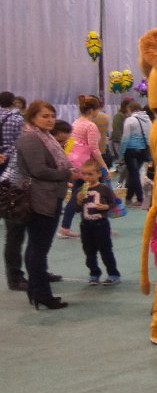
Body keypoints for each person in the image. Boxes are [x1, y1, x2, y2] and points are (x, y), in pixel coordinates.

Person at [15, 100, 81, 309]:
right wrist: (66, 174)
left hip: (49, 196)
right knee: (39, 248)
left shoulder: (44, 136)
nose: (50, 120)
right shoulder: (31, 138)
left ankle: (36, 290)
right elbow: (39, 170)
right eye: (45, 116)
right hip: (40, 198)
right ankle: (42, 294)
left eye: (52, 116)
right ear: (32, 117)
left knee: (37, 246)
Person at [59, 94, 110, 239]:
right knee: (88, 195)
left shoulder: (75, 123)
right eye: (98, 109)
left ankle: (68, 227)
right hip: (87, 169)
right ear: (92, 110)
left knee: (79, 196)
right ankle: (69, 227)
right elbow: (94, 149)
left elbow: (69, 144)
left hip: (76, 166)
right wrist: (104, 166)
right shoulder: (90, 126)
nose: (99, 112)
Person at [1, 91, 28, 290]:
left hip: (5, 172)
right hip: (14, 173)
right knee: (15, 232)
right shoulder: (17, 119)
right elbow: (20, 146)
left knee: (13, 232)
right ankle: (15, 277)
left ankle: (15, 276)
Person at [77, 159, 120, 285]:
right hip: (86, 225)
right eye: (84, 174)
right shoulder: (82, 189)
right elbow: (77, 209)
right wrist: (79, 200)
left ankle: (113, 274)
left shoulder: (104, 188)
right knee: (89, 252)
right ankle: (94, 273)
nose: (86, 177)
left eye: (90, 174)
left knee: (106, 250)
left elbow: (113, 203)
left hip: (101, 224)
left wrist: (106, 207)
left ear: (98, 174)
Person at [119, 100, 150, 206]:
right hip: (143, 150)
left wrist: (121, 154)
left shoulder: (130, 120)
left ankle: (140, 198)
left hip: (131, 150)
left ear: (129, 109)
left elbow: (125, 139)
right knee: (133, 174)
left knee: (134, 174)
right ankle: (128, 198)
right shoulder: (147, 119)